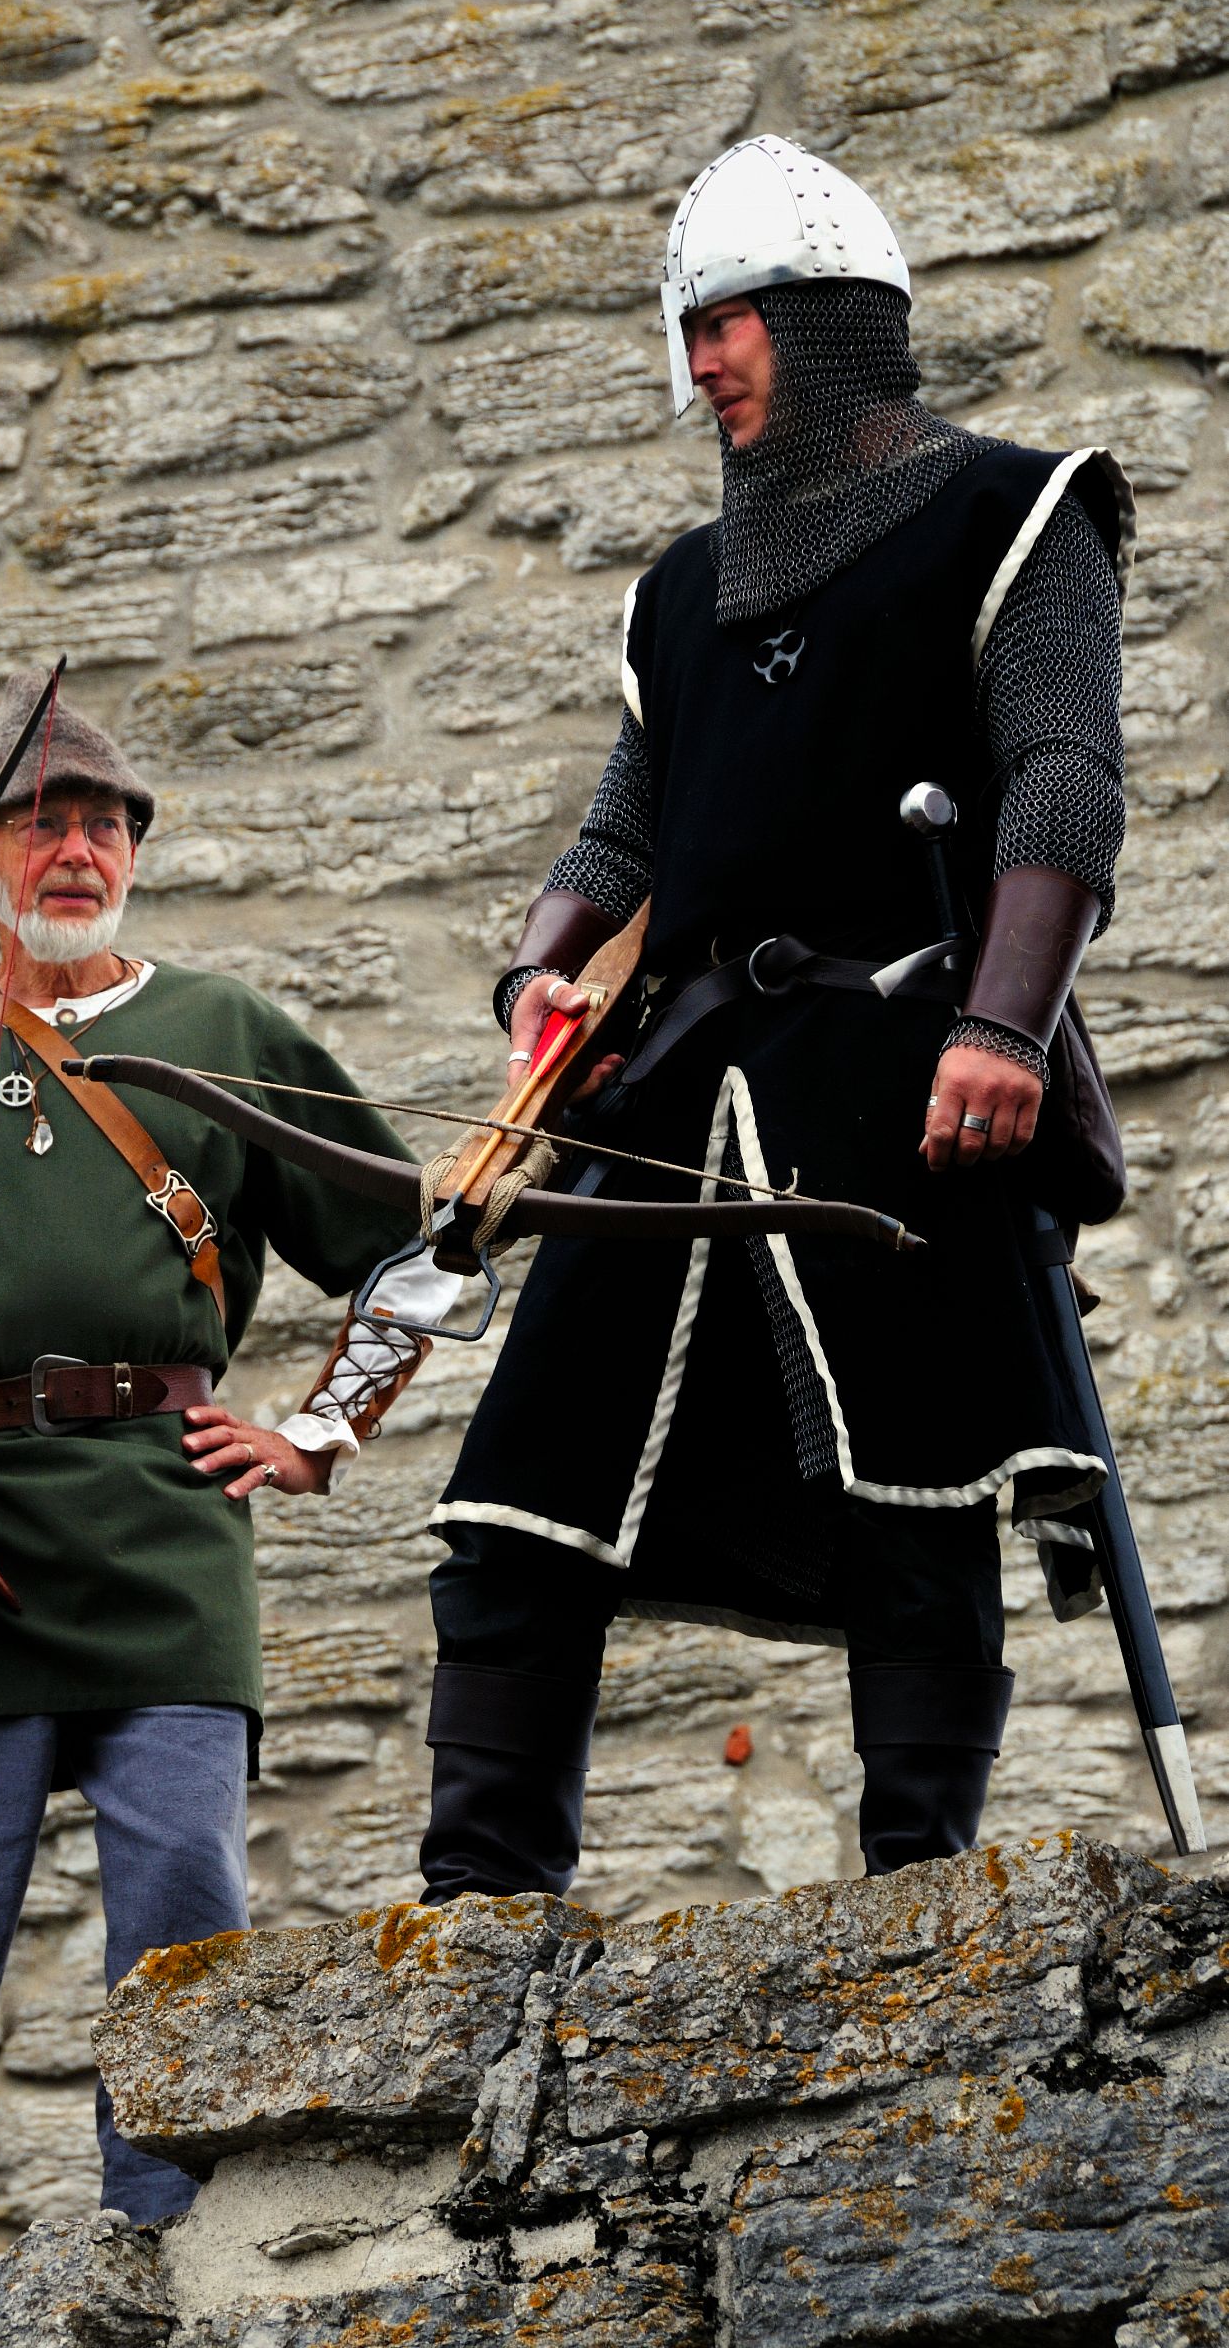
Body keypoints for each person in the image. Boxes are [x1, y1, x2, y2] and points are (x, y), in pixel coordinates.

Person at [417, 134, 1134, 1905]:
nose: (700, 362)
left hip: (906, 1066)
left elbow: (1061, 780)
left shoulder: (1010, 513)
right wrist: (536, 974)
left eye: (725, 322)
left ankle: (922, 1898)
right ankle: (477, 1913)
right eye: (689, 331)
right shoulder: (682, 589)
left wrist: (1003, 1027)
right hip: (673, 1089)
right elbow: (622, 839)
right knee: (519, 1491)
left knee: (918, 1485)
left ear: (825, 319)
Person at [0, 672, 455, 2320]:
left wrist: (321, 1435)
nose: (76, 848)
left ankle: (189, 2296)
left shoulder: (228, 1032)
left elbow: (417, 1259)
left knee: (186, 1945)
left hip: (164, 1533)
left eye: (104, 823)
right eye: (41, 822)